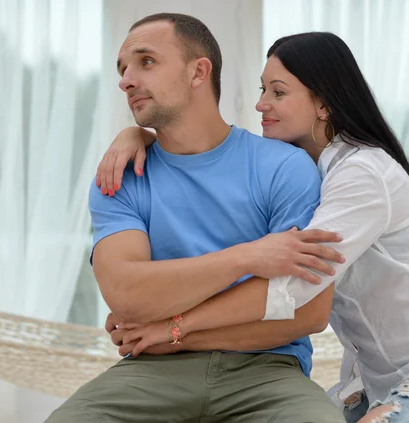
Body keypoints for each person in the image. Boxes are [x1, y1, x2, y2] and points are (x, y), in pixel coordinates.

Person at [97, 30, 409, 423]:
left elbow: (294, 287)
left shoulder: (362, 173)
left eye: (278, 91)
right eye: (261, 89)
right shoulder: (312, 175)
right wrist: (139, 133)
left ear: (324, 105)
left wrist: (172, 328)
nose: (260, 104)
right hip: (388, 381)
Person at [46, 13, 349, 423]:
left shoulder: (285, 168)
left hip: (269, 374)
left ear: (198, 71)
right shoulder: (117, 178)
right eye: (122, 69)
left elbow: (308, 312)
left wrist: (171, 332)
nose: (126, 80)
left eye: (146, 61)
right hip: (148, 374)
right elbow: (126, 295)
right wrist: (246, 257)